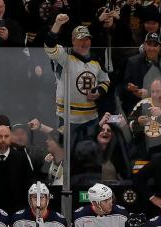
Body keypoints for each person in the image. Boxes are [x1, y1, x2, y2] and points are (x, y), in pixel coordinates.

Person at [44, 16, 111, 150]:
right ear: (73, 41)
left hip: (91, 119)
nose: (84, 42)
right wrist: (57, 23)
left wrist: (99, 91)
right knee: (68, 154)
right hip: (67, 119)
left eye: (87, 39)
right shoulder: (64, 57)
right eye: (80, 39)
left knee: (89, 155)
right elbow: (49, 46)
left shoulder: (96, 60)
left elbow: (105, 80)